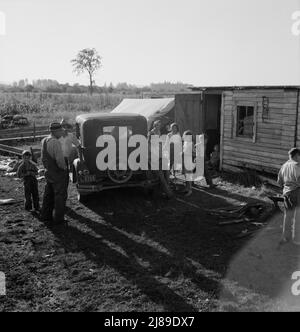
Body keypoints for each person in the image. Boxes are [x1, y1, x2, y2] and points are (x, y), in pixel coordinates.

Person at [40, 122, 69, 226]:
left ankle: (45, 216)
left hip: (48, 172)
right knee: (60, 196)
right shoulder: (55, 142)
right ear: (56, 131)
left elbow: (43, 158)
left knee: (48, 195)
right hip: (58, 173)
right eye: (61, 130)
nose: (62, 132)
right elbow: (60, 161)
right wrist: (65, 169)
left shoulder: (44, 140)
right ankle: (59, 219)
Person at [278, 148, 300, 246]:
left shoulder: (284, 166)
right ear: (297, 155)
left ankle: (286, 237)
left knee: (288, 215)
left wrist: (287, 186)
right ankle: (297, 240)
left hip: (286, 193)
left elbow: (279, 182)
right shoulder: (297, 165)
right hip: (296, 192)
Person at [182, 130, 195, 197]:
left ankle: (190, 190)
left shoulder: (191, 143)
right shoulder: (185, 142)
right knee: (185, 175)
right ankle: (187, 188)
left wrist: (189, 153)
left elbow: (194, 153)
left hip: (189, 161)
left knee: (189, 175)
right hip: (184, 160)